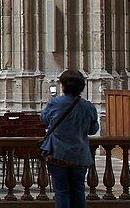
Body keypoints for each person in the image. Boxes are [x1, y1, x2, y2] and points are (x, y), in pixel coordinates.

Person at [40, 69, 99, 208]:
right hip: (79, 154)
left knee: (61, 191)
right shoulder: (88, 106)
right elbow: (93, 129)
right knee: (78, 191)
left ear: (63, 85)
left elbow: (43, 119)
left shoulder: (55, 103)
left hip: (58, 154)